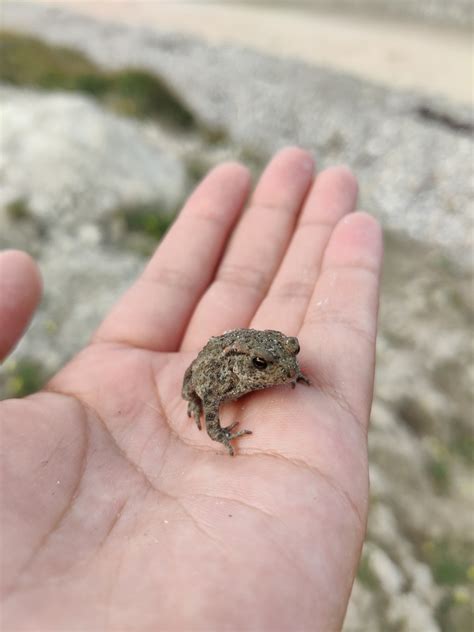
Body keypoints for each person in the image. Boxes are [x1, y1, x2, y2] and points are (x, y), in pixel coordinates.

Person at [0, 147, 383, 631]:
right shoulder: (226, 377)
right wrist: (220, 435)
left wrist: (289, 369)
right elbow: (209, 404)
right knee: (195, 387)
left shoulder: (276, 358)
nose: (284, 367)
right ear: (250, 366)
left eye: (290, 357)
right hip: (209, 362)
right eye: (270, 365)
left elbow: (279, 353)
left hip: (238, 343)